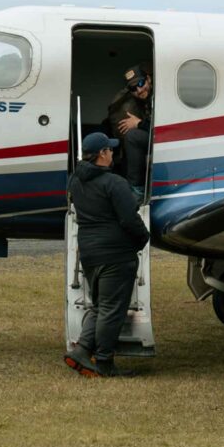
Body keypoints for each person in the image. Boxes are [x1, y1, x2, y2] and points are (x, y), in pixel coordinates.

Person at [67, 131, 148, 377]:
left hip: (90, 253)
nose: (113, 153)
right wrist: (143, 238)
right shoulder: (114, 183)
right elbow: (128, 218)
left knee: (99, 305)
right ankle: (104, 362)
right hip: (116, 254)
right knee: (112, 309)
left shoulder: (75, 181)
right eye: (110, 149)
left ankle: (82, 350)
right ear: (102, 154)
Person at [104, 65, 153, 188]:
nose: (139, 90)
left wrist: (139, 123)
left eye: (141, 83)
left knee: (133, 136)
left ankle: (137, 189)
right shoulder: (139, 101)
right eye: (133, 88)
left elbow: (165, 130)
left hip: (171, 139)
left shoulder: (160, 96)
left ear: (148, 79)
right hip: (151, 138)